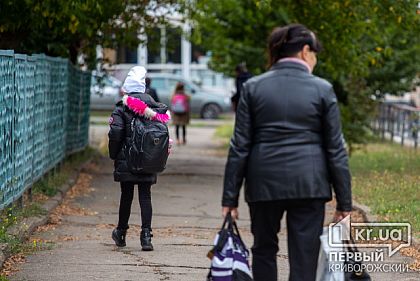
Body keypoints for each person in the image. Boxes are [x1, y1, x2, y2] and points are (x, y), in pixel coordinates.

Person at [221, 24, 352, 281]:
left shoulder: (253, 88)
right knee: (305, 255)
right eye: (315, 52)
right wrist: (344, 202)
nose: (315, 58)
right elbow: (335, 149)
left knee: (263, 250)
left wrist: (230, 199)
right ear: (305, 51)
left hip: (263, 184)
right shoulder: (322, 89)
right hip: (309, 185)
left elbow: (239, 146)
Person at [108, 66, 170, 251]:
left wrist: (114, 155)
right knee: (145, 196)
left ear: (127, 88)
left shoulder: (121, 108)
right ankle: (146, 236)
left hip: (127, 159)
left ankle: (121, 233)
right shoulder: (155, 108)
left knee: (126, 195)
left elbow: (115, 134)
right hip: (148, 160)